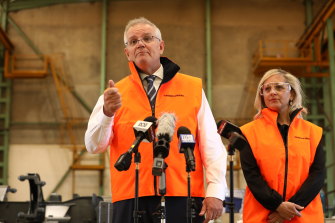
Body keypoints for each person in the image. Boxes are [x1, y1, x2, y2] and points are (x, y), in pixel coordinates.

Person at [85, 17, 227, 223]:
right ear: (127, 53)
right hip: (130, 199)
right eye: (133, 41)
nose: (140, 43)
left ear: (161, 46)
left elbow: (211, 145)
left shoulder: (192, 89)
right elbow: (93, 145)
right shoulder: (114, 94)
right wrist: (107, 113)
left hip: (183, 194)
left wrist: (215, 191)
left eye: (147, 38)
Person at [239, 69, 325, 223]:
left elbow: (318, 174)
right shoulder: (248, 132)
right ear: (262, 95)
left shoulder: (313, 132)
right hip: (264, 216)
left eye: (279, 87)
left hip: (304, 216)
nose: (272, 92)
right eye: (267, 89)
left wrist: (289, 210)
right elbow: (252, 176)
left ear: (291, 94)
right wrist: (277, 205)